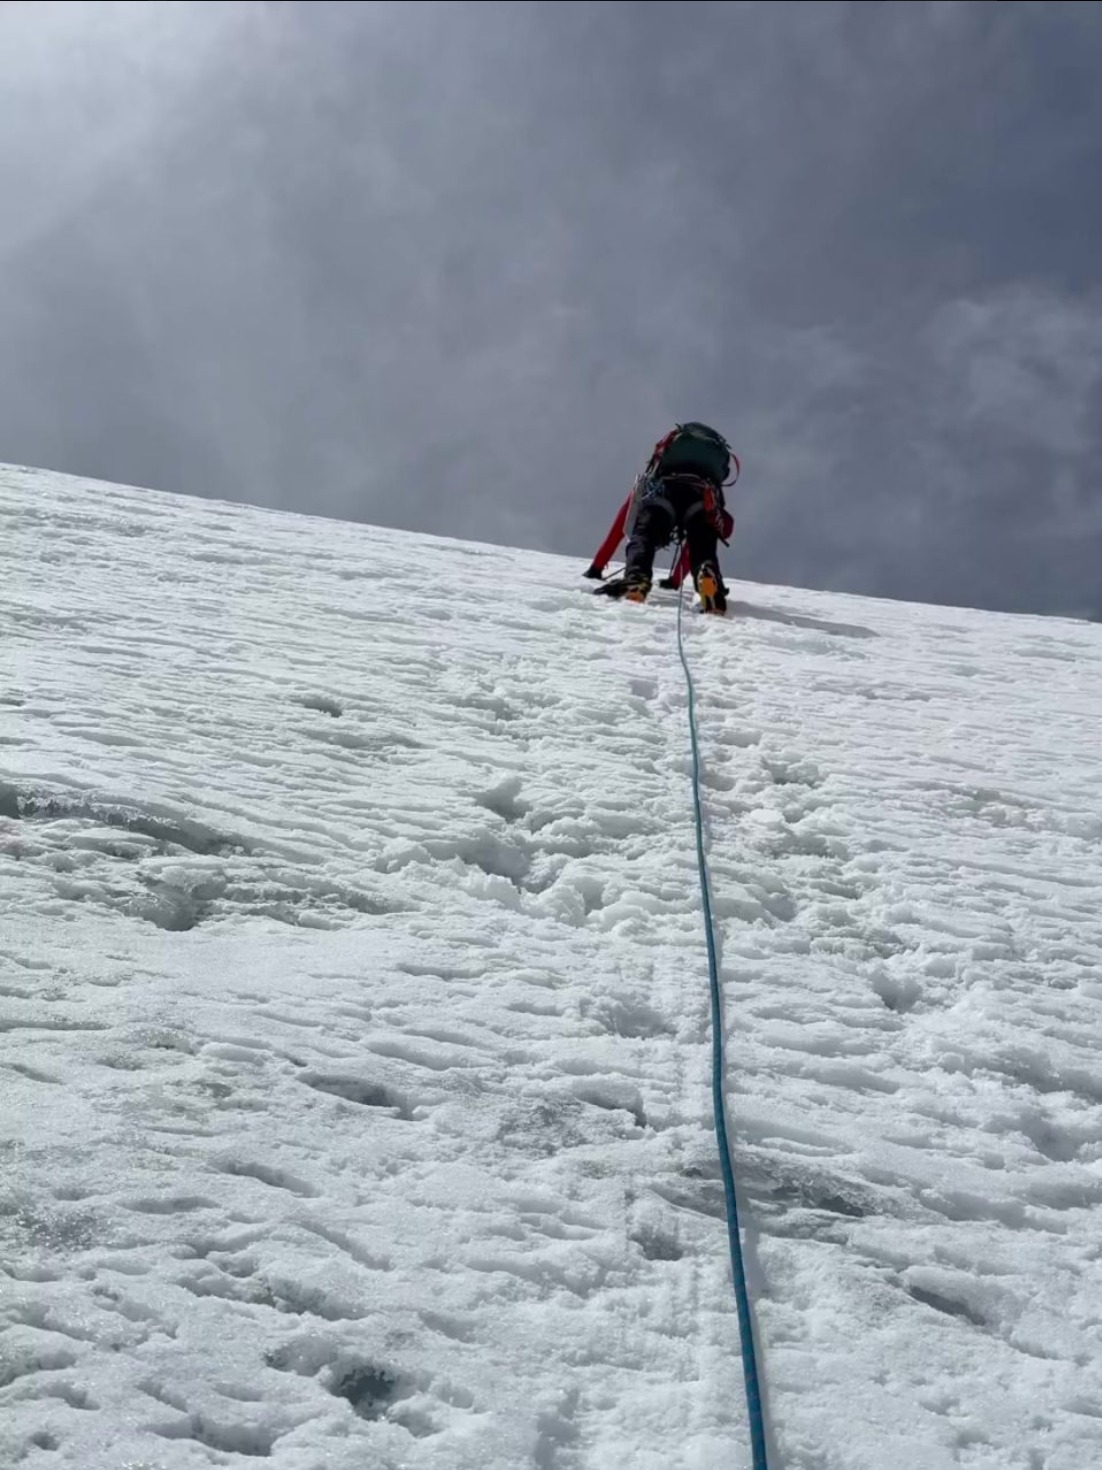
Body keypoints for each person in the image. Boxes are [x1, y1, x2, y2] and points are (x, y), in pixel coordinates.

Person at [587, 423, 737, 614]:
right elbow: (690, 549)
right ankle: (708, 577)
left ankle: (637, 577)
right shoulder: (709, 482)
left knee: (644, 536)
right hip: (703, 499)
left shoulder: (652, 478)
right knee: (702, 545)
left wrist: (596, 568)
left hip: (664, 493)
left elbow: (621, 526)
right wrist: (674, 581)